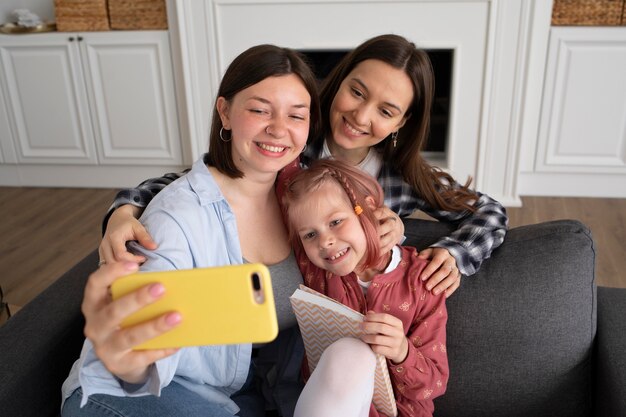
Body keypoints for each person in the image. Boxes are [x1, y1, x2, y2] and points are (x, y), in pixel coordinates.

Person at [98, 34, 508, 298]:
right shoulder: (291, 142)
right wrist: (123, 211)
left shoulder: (402, 178)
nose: (362, 117)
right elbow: (199, 181)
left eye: (385, 110)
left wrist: (454, 254)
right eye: (357, 92)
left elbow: (490, 212)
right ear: (339, 80)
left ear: (402, 122)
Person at [61, 44, 322, 417]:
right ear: (225, 112)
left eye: (296, 115)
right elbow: (144, 349)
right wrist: (132, 362)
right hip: (139, 391)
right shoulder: (179, 214)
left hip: (243, 385)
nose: (279, 129)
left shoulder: (302, 199)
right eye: (260, 110)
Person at [281, 159, 448, 417]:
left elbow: (434, 384)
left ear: (367, 209)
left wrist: (402, 352)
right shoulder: (315, 266)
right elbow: (280, 169)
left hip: (400, 411)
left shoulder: (421, 281)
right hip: (331, 401)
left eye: (336, 222)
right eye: (310, 235)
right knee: (348, 352)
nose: (325, 241)